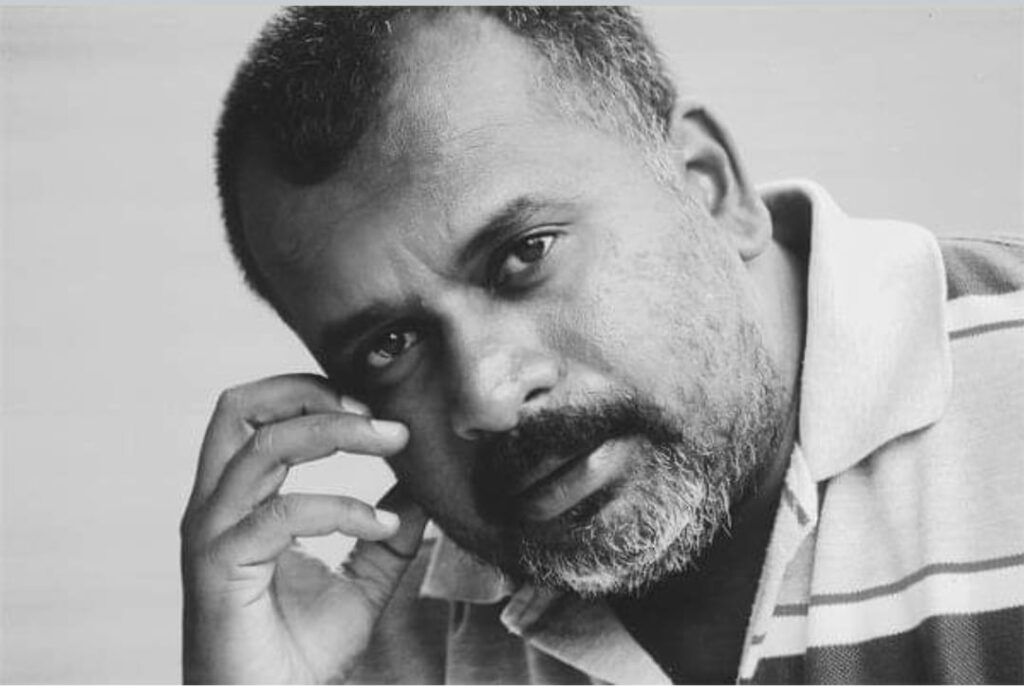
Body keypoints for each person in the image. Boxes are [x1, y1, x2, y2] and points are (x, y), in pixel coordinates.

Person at [179, 6, 1024, 684]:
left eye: (525, 254)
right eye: (390, 343)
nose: (487, 396)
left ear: (710, 187)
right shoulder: (360, 644)